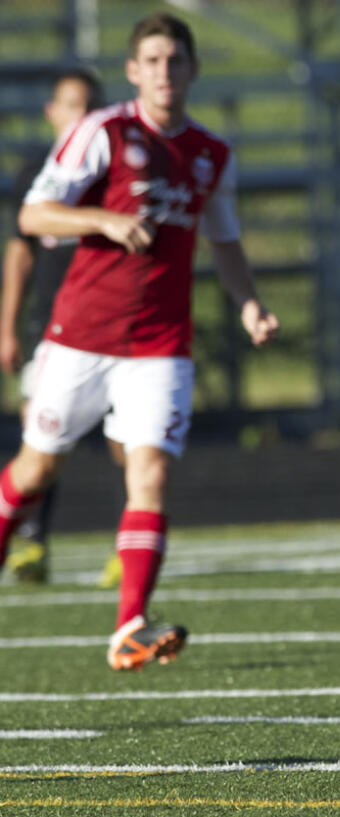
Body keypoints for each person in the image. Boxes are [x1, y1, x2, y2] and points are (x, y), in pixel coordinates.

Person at [6, 13, 278, 670]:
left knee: (149, 470)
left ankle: (129, 623)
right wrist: (102, 218)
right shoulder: (103, 132)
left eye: (174, 60)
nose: (163, 72)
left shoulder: (212, 153)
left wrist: (249, 305)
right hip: (80, 336)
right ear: (133, 71)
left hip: (160, 344)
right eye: (151, 60)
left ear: (191, 70)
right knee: (36, 469)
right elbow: (32, 214)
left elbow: (225, 241)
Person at [1, 68, 104, 584]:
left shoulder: (114, 173)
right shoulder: (34, 174)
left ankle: (130, 544)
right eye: (72, 105)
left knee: (130, 438)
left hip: (112, 324)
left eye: (91, 106)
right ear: (52, 112)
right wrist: (8, 327)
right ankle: (33, 539)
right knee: (42, 438)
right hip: (52, 326)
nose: (81, 116)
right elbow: (19, 254)